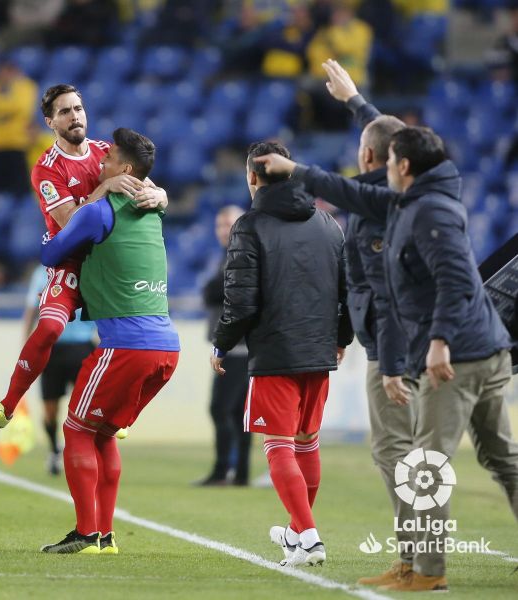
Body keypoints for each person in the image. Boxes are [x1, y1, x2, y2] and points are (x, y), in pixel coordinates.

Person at [257, 128, 517, 591]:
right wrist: (356, 101)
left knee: (426, 465)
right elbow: (394, 294)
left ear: (400, 167)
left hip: (457, 355)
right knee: (501, 457)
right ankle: (414, 563)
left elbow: (453, 284)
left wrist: (436, 343)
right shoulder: (413, 201)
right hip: (483, 348)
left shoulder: (425, 212)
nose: (375, 172)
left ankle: (425, 571)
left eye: (384, 162)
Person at [0, 84, 167, 428]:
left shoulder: (108, 152)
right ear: (50, 122)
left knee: (127, 340)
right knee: (48, 327)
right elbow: (70, 224)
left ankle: (112, 414)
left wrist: (161, 195)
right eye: (64, 111)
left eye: (78, 108)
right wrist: (105, 187)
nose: (74, 116)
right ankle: (7, 406)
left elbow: (148, 186)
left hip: (110, 262)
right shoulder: (47, 169)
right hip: (71, 260)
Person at [211, 141, 352, 568]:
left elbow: (240, 300)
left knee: (278, 445)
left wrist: (222, 341)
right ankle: (296, 530)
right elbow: (348, 290)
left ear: (252, 177)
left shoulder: (250, 226)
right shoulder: (328, 223)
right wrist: (342, 337)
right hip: (320, 350)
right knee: (307, 443)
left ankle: (308, 537)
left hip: (276, 352)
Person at [38, 128, 180, 554]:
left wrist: (94, 195)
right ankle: (106, 536)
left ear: (126, 170)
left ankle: (86, 533)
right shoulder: (153, 207)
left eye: (110, 158)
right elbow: (158, 198)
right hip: (167, 346)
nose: (101, 162)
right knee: (102, 432)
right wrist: (162, 194)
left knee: (76, 430)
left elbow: (50, 255)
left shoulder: (99, 211)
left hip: (126, 345)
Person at [321, 58, 418, 587]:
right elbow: (391, 141)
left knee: (394, 450)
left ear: (365, 157)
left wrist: (389, 359)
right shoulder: (416, 185)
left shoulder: (377, 204)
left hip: (399, 344)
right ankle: (420, 558)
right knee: (492, 451)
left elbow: (389, 289)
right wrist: (358, 103)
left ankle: (418, 561)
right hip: (437, 338)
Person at [22, 264, 97, 475]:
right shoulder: (41, 272)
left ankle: (83, 453)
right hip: (52, 348)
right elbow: (32, 309)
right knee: (50, 410)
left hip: (82, 347)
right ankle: (55, 449)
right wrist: (26, 346)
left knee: (85, 407)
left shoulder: (88, 267)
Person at [196, 205, 251, 487]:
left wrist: (212, 289)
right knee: (239, 411)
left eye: (228, 224)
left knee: (221, 408)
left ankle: (223, 471)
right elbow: (213, 291)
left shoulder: (242, 255)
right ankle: (240, 473)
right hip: (235, 347)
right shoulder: (226, 256)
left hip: (238, 347)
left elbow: (218, 291)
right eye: (219, 225)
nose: (223, 230)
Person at [0, 60, 39, 196]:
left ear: (13, 72)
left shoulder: (25, 87)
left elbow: (21, 107)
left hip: (17, 145)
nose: (1, 76)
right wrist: (7, 107)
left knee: (19, 190)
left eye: (5, 72)